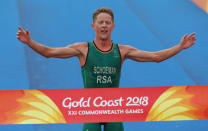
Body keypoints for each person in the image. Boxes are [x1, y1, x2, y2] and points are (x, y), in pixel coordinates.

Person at [16, 7, 196, 131]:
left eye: (107, 22)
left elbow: (156, 57)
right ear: (93, 26)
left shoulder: (123, 51)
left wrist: (179, 47)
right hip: (90, 109)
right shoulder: (83, 49)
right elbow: (49, 52)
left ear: (113, 26)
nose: (104, 25)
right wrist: (30, 42)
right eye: (100, 22)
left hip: (114, 109)